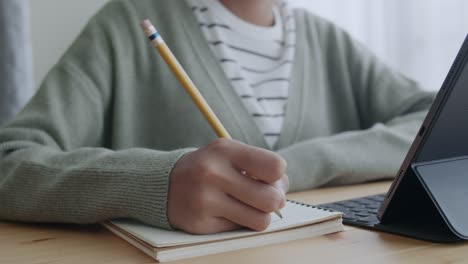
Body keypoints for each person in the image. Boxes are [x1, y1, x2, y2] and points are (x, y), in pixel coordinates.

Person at [0, 0, 434, 235]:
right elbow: (10, 162)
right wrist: (155, 182)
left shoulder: (326, 40)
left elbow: (431, 119)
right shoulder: (126, 24)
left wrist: (299, 165)